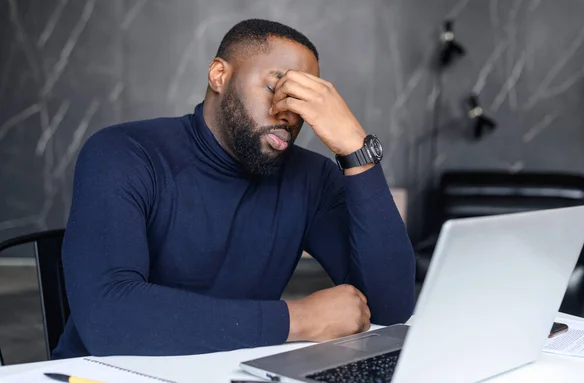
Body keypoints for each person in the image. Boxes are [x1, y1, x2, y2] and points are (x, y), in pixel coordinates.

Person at [52, 18, 415, 359]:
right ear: (219, 75)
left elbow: (388, 310)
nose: (288, 112)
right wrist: (298, 319)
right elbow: (110, 319)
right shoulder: (123, 152)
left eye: (304, 99)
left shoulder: (311, 178)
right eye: (276, 87)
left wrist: (356, 150)